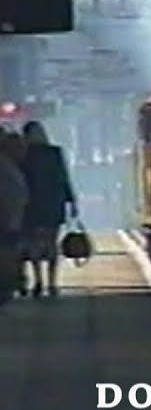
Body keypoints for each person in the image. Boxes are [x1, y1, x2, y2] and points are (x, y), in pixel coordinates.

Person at [19, 121, 76, 297]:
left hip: (31, 205)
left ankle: (38, 281)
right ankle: (52, 283)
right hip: (53, 204)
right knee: (51, 244)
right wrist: (71, 201)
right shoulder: (55, 153)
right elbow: (63, 177)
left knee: (34, 244)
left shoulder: (24, 155)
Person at [0, 130, 28, 304]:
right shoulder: (7, 168)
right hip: (8, 221)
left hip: (11, 220)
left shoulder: (9, 167)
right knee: (9, 251)